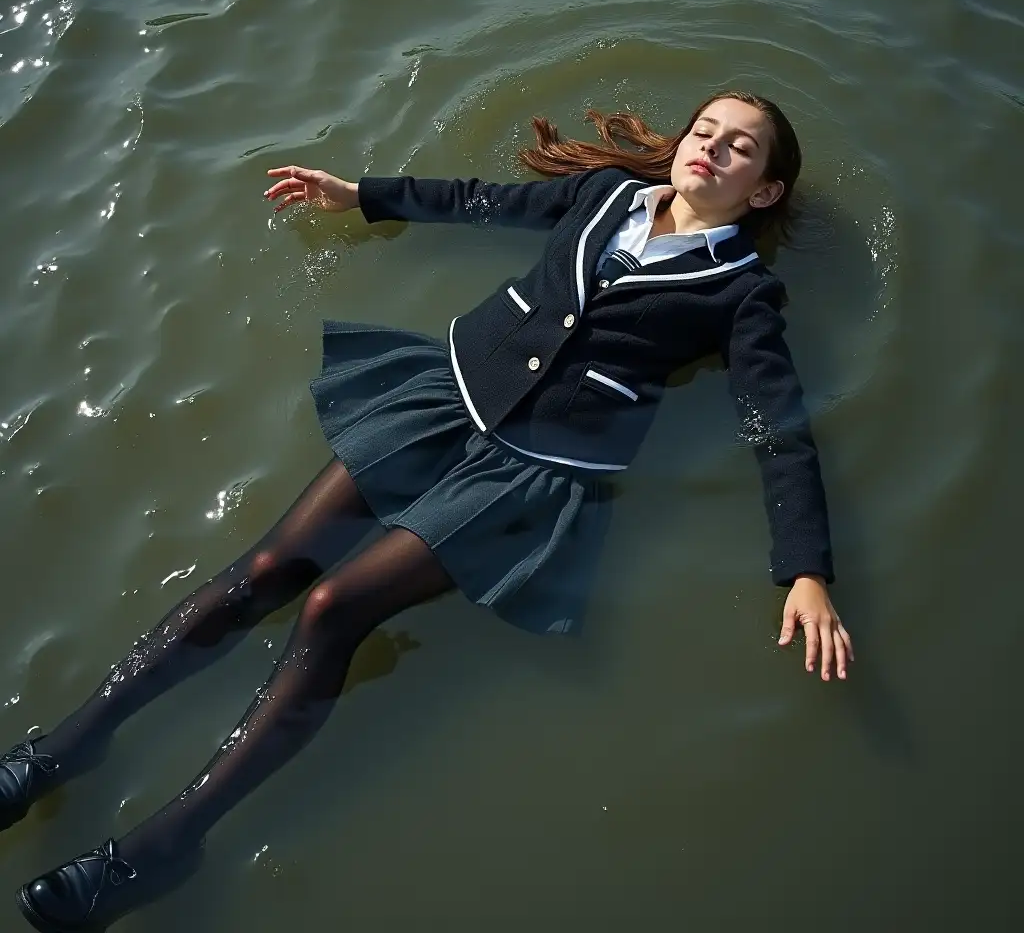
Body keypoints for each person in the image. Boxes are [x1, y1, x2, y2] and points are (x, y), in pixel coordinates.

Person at [3, 90, 853, 931]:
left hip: (531, 471)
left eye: (740, 147)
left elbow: (774, 429)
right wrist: (362, 196)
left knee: (334, 610)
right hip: (445, 397)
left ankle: (161, 849)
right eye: (705, 128)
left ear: (765, 191)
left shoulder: (742, 295)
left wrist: (805, 571)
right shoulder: (604, 196)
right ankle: (60, 750)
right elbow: (484, 202)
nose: (711, 146)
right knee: (266, 571)